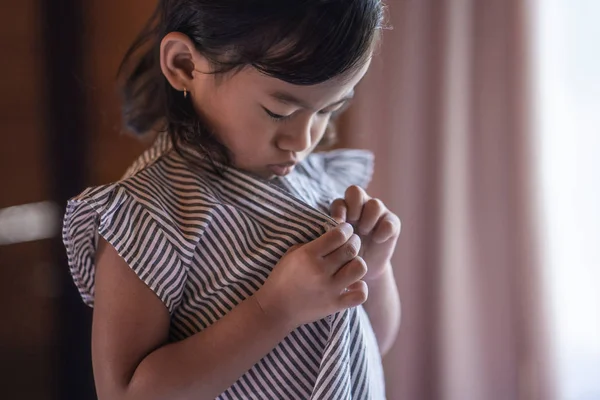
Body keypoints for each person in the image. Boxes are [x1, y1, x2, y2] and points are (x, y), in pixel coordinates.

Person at [62, 1, 401, 399]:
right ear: (186, 65)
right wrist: (273, 310)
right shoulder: (150, 215)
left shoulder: (316, 183)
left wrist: (373, 271)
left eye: (330, 109)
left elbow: (372, 345)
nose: (303, 140)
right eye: (279, 111)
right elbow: (124, 394)